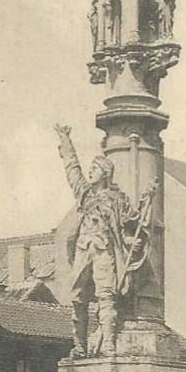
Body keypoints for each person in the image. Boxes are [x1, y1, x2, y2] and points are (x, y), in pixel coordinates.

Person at [55, 124, 140, 357]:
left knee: (106, 296)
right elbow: (72, 170)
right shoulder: (84, 195)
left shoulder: (116, 200)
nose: (90, 172)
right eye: (90, 168)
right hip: (84, 249)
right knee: (77, 298)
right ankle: (80, 346)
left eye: (95, 168)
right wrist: (65, 140)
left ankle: (109, 344)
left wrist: (130, 240)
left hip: (105, 251)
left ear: (105, 173)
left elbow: (129, 226)